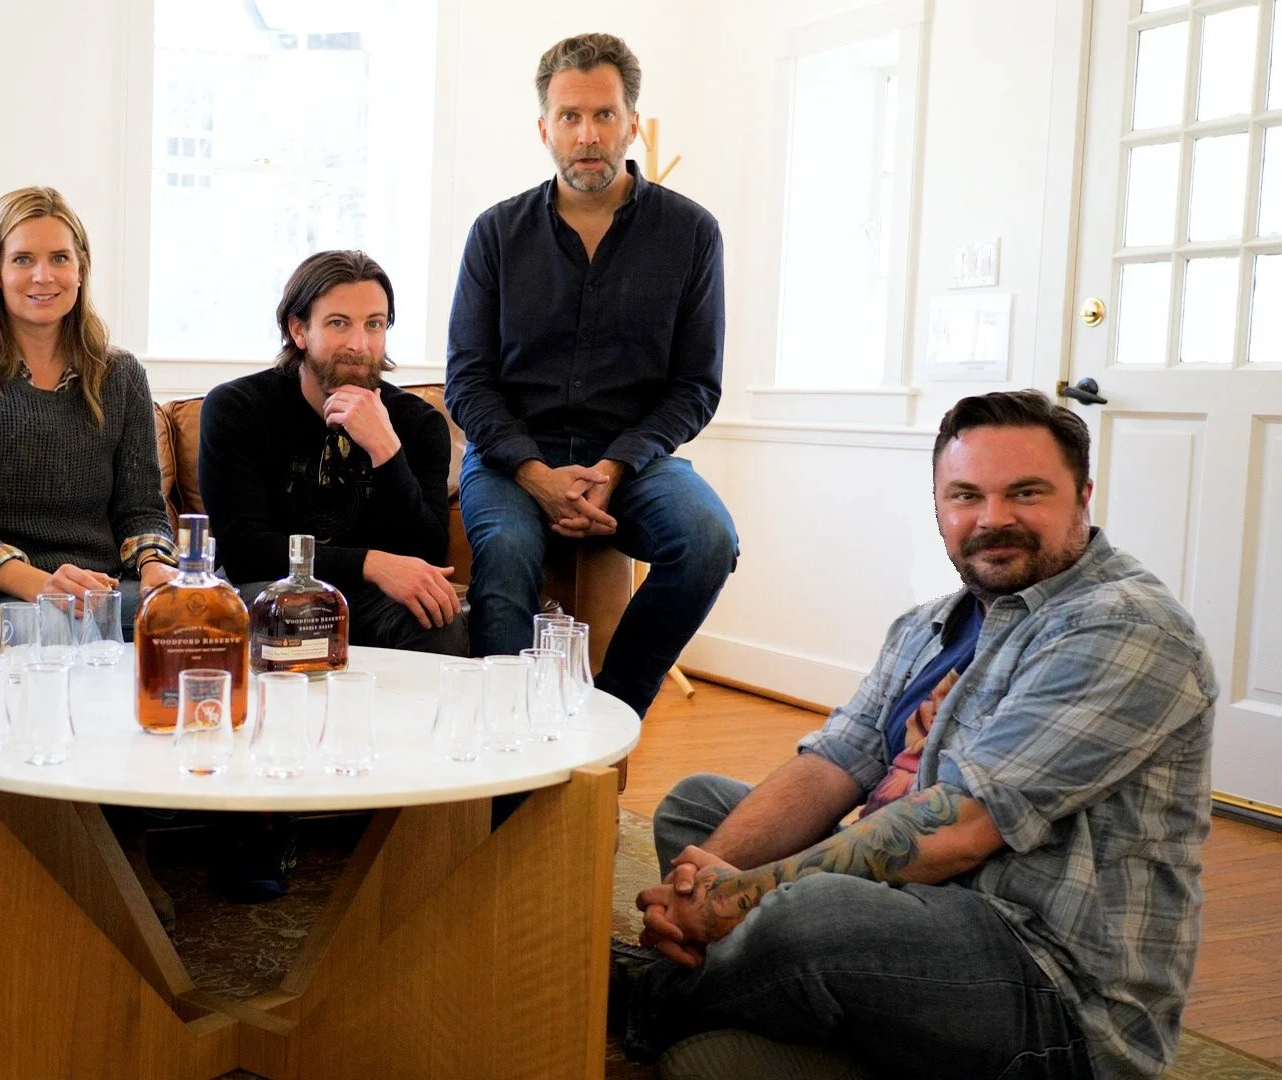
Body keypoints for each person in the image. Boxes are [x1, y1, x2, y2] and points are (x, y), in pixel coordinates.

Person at [621, 391, 1215, 1080]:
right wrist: (701, 889)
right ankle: (799, 1010)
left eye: (1026, 493)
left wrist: (733, 901)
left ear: (1082, 497)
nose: (993, 518)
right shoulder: (929, 624)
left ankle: (645, 1000)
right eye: (966, 495)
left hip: (1050, 985)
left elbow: (958, 830)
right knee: (699, 809)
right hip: (925, 917)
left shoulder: (1126, 626)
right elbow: (832, 765)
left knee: (814, 916)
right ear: (938, 506)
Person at [446, 32, 736, 717]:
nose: (588, 135)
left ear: (632, 123)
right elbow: (468, 379)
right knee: (507, 552)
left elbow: (696, 386)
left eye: (604, 114)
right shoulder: (496, 233)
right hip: (512, 460)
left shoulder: (692, 233)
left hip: (633, 462)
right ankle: (505, 736)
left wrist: (616, 466)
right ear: (544, 128)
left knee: (708, 542)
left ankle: (610, 713)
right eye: (570, 117)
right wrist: (533, 472)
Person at [0, 186, 175, 652]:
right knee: (54, 630)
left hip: (100, 587)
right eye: (22, 260)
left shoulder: (121, 374)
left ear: (80, 270)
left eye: (59, 258)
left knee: (206, 613)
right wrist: (45, 586)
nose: (43, 276)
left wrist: (156, 569)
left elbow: (142, 510)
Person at [199, 249, 465, 655]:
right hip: (277, 591)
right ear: (299, 330)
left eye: (374, 324)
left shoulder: (418, 422)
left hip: (373, 601)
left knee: (438, 623)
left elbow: (425, 553)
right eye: (339, 323)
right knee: (292, 615)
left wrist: (385, 447)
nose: (359, 345)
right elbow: (245, 552)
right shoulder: (237, 407)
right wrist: (371, 563)